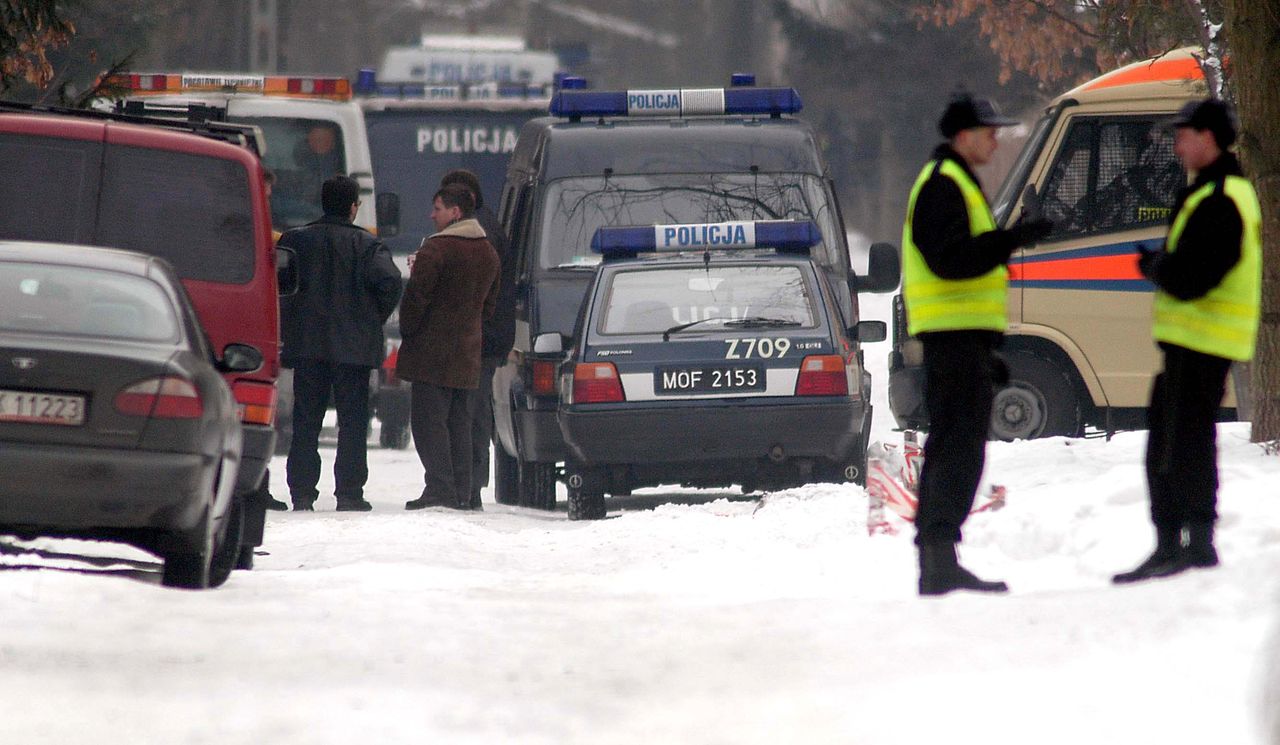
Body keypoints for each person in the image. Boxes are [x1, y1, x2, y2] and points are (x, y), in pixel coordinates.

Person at [901, 94, 1053, 596]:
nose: (995, 138)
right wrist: (1014, 240)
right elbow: (951, 260)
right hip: (952, 340)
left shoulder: (956, 182)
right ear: (962, 135)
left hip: (962, 340)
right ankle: (938, 559)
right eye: (988, 131)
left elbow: (963, 266)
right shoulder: (943, 186)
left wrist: (986, 350)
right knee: (956, 449)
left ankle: (940, 559)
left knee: (958, 446)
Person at [1113, 98, 1261, 584]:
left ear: (1209, 137)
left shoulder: (1220, 198)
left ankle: (1181, 545)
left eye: (1183, 134)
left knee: (1179, 444)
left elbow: (1197, 274)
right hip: (1198, 344)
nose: (1176, 146)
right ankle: (1188, 543)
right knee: (1182, 440)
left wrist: (1156, 267)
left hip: (1201, 343)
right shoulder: (1215, 193)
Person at [279, 175, 402, 511]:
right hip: (354, 349)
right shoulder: (367, 246)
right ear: (352, 208)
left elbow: (280, 283)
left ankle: (301, 490)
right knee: (352, 422)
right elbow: (390, 281)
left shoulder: (295, 241)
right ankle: (349, 492)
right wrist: (370, 317)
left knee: (305, 419)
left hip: (307, 345)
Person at [398, 184, 500, 511]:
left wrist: (409, 331)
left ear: (455, 212)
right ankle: (464, 490)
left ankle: (440, 488)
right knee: (460, 423)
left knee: (429, 423)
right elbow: (490, 305)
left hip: (431, 352)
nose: (432, 214)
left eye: (438, 208)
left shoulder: (436, 250)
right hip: (468, 352)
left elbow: (416, 300)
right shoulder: (487, 251)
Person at [440, 169, 515, 511]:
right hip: (489, 334)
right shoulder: (489, 225)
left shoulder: (479, 232)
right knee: (475, 410)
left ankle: (470, 489)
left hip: (481, 336)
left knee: (471, 413)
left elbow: (479, 292)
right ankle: (470, 487)